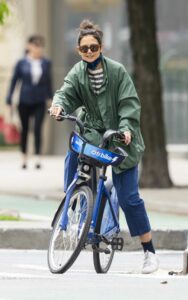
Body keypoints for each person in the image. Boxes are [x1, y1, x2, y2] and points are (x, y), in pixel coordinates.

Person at [50, 20, 159, 274]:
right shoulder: (78, 72)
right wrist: (58, 106)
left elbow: (129, 105)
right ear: (78, 50)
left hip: (120, 140)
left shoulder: (118, 71)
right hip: (92, 134)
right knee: (73, 155)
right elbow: (65, 92)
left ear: (102, 47)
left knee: (130, 199)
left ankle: (149, 252)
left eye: (94, 47)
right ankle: (74, 202)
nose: (89, 52)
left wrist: (127, 129)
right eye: (84, 48)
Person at [6, 35, 52, 169]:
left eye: (40, 46)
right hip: (24, 100)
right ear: (29, 47)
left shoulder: (46, 63)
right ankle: (24, 157)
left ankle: (37, 157)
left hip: (40, 100)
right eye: (35, 45)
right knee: (25, 129)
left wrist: (51, 99)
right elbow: (14, 81)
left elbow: (49, 82)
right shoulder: (21, 62)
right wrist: (9, 99)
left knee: (37, 128)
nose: (38, 49)